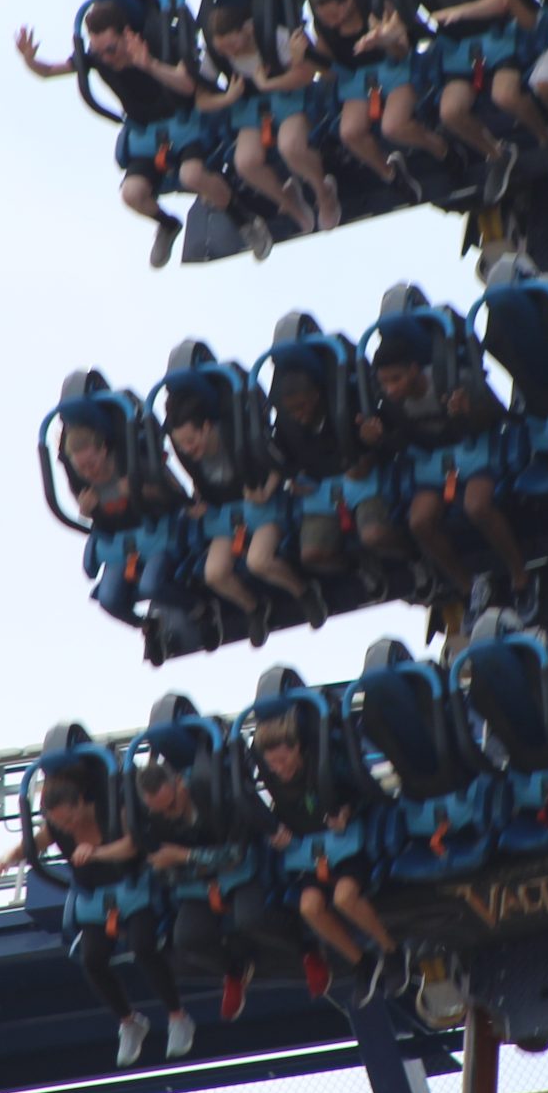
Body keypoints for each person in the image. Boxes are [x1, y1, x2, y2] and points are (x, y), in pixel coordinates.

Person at [0, 774, 194, 1066]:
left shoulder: (110, 810)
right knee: (92, 959)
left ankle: (177, 1016)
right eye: (59, 823)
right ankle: (129, 1021)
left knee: (143, 946)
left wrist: (96, 852)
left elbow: (132, 845)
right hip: (94, 896)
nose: (67, 827)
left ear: (82, 803)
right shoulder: (56, 828)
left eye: (70, 819)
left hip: (130, 886)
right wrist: (6, 858)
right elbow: (29, 846)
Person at [16, 9, 243, 268]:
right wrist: (30, 60)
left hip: (185, 124)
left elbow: (188, 85)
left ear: (126, 36)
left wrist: (149, 65)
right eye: (98, 51)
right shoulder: (99, 59)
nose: (106, 58)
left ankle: (241, 218)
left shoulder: (157, 46)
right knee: (131, 195)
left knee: (191, 175)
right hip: (146, 135)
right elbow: (48, 71)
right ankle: (168, 225)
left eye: (111, 49)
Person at [393, 0, 548, 200]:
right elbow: (410, 29)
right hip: (463, 56)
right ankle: (498, 154)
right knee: (450, 111)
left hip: (498, 42)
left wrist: (461, 12)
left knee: (505, 96)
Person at [361, 333, 533, 616]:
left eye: (396, 379)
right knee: (419, 522)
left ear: (415, 370)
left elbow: (496, 413)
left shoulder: (453, 379)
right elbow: (398, 443)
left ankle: (520, 576)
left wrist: (468, 411)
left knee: (477, 506)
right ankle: (469, 587)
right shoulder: (390, 404)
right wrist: (374, 438)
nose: (390, 389)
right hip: (434, 466)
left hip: (474, 453)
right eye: (384, 382)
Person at [247, 709, 404, 1004]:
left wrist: (347, 812)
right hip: (309, 852)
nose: (279, 769)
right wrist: (274, 831)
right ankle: (362, 963)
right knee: (309, 907)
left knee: (344, 898)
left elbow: (363, 791)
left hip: (345, 844)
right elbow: (273, 811)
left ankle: (392, 952)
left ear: (298, 748)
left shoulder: (330, 764)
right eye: (272, 764)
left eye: (284, 760)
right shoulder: (274, 779)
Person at [133, 759, 304, 1019]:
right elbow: (163, 870)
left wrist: (187, 856)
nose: (169, 815)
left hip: (242, 869)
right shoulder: (153, 820)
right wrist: (193, 864)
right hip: (199, 885)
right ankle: (233, 971)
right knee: (187, 938)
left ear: (179, 783)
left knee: (252, 917)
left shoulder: (213, 793)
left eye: (172, 806)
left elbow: (235, 853)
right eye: (161, 812)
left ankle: (307, 950)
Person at [164, 387, 320, 643]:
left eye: (191, 441)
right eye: (182, 445)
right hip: (228, 518)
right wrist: (194, 503)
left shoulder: (238, 437)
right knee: (213, 573)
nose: (188, 449)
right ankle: (255, 608)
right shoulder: (192, 458)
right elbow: (199, 485)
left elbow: (277, 461)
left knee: (258, 561)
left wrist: (267, 490)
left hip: (262, 508)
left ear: (206, 427)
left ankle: (304, 593)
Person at [304, 0, 432, 198]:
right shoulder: (326, 28)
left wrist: (383, 39)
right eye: (326, 19)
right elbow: (329, 70)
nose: (333, 22)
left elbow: (401, 50)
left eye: (336, 14)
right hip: (359, 83)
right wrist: (307, 57)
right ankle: (391, 174)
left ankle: (441, 149)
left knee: (392, 126)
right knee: (349, 132)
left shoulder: (373, 6)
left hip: (394, 70)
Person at [195, 2, 323, 240]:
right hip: (251, 110)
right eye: (224, 49)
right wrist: (226, 98)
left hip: (287, 96)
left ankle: (322, 191)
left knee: (289, 146)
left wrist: (269, 84)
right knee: (245, 162)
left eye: (233, 44)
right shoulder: (217, 54)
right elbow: (200, 99)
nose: (230, 53)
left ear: (248, 29)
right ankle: (290, 203)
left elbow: (306, 75)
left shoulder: (274, 37)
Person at [266, 361, 400, 583]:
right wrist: (292, 482)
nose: (297, 415)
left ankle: (414, 558)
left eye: (301, 407)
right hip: (320, 492)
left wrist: (370, 446)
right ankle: (360, 568)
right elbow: (283, 463)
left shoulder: (348, 403)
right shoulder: (287, 424)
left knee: (374, 534)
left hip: (361, 482)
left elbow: (386, 441)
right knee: (311, 555)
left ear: (316, 395)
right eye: (292, 410)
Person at [61, 418, 189, 628]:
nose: (89, 472)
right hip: (122, 547)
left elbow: (177, 495)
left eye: (91, 464)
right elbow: (95, 517)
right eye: (82, 468)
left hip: (156, 535)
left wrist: (141, 491)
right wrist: (85, 510)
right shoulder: (82, 484)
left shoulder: (132, 463)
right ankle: (147, 626)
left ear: (103, 450)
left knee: (150, 585)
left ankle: (199, 609)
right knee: (108, 599)